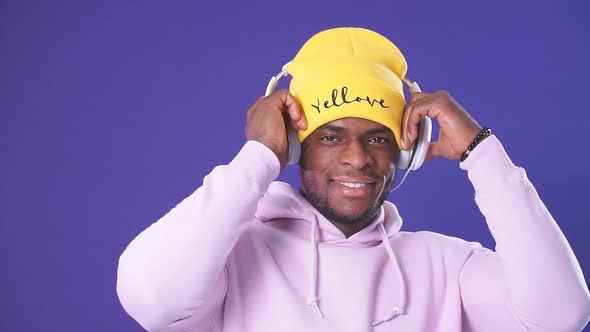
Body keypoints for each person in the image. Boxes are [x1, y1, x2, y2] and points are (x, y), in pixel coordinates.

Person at [116, 27, 590, 331]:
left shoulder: (447, 266)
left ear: (407, 150)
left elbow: (561, 316)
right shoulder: (230, 259)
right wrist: (257, 157)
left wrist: (481, 154)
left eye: (378, 139)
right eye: (331, 137)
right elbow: (153, 299)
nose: (358, 158)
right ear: (295, 146)